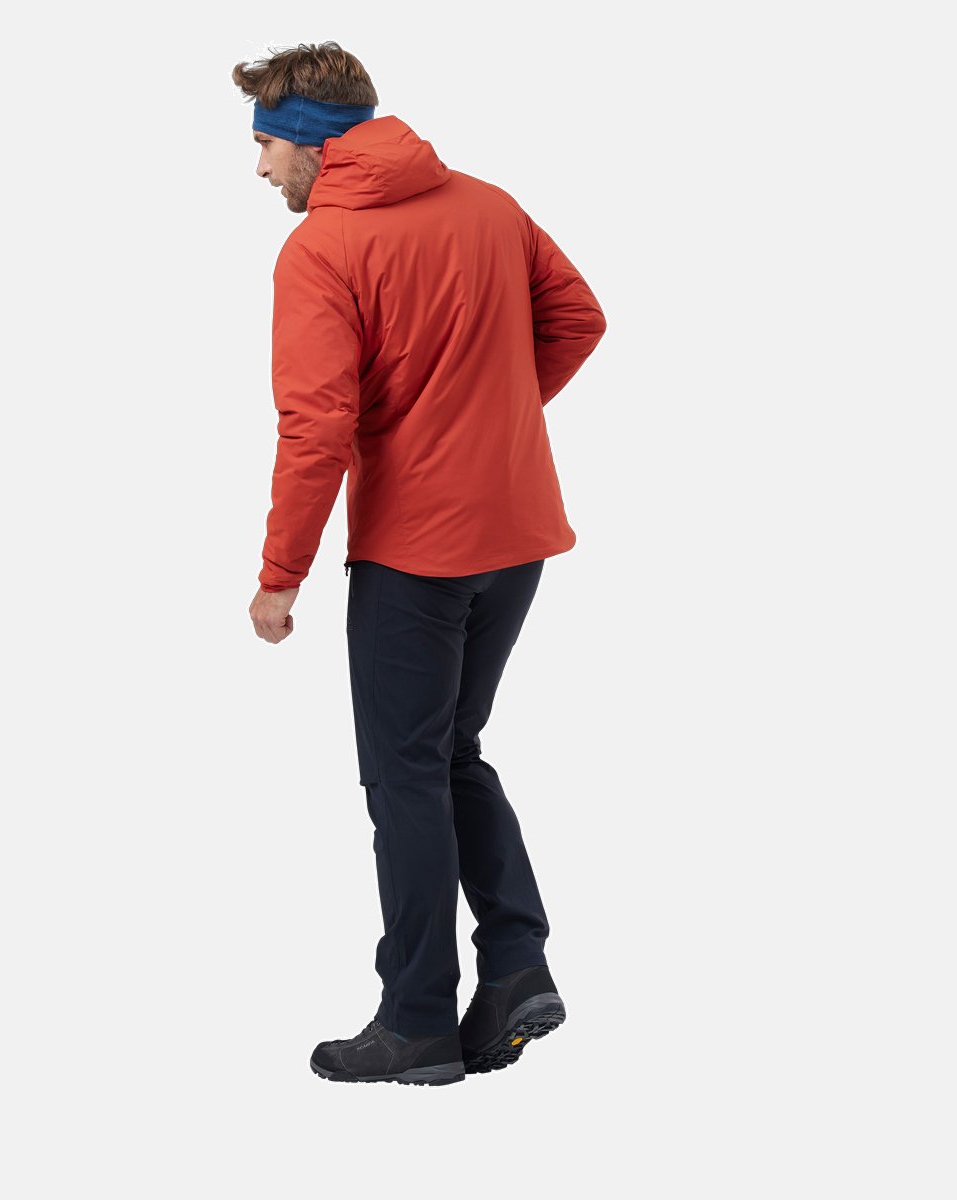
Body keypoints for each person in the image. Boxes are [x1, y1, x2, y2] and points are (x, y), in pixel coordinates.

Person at [233, 41, 606, 1085]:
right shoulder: (489, 205)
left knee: (404, 774)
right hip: (516, 538)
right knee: (449, 752)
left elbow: (315, 427)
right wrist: (487, 421)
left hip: (416, 553)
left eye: (265, 145)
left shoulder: (321, 250)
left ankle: (415, 1022)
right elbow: (578, 319)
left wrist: (280, 576)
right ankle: (517, 964)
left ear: (311, 141)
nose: (259, 168)